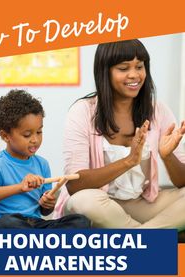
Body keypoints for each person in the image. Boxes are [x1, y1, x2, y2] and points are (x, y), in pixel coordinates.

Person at [54, 39, 185, 233]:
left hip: (139, 204)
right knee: (83, 201)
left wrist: (167, 156)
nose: (134, 75)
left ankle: (142, 237)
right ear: (104, 71)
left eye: (139, 66)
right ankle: (157, 233)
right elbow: (75, 185)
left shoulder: (158, 111)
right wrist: (128, 161)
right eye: (123, 68)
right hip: (98, 204)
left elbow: (181, 181)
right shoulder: (83, 111)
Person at [0, 89, 90, 229]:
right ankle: (41, 244)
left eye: (39, 132)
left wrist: (48, 204)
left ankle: (35, 242)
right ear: (5, 136)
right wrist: (19, 187)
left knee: (80, 221)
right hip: (8, 222)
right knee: (8, 223)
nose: (35, 140)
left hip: (35, 224)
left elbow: (44, 211)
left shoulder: (42, 164)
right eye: (27, 135)